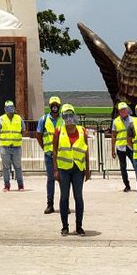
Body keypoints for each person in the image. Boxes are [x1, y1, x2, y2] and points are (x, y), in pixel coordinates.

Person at [51, 103, 89, 236]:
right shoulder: (58, 131)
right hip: (64, 169)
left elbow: (85, 150)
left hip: (78, 168)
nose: (68, 118)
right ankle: (64, 226)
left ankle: (79, 226)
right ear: (62, 117)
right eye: (66, 115)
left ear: (74, 115)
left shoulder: (82, 130)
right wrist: (55, 169)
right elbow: (54, 150)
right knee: (64, 197)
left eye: (70, 115)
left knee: (78, 197)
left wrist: (87, 169)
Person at [35, 96, 62, 214]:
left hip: (62, 154)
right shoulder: (44, 119)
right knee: (50, 179)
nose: (55, 106)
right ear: (50, 106)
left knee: (63, 180)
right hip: (50, 154)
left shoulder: (64, 120)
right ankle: (50, 204)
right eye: (53, 104)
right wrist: (44, 148)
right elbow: (39, 135)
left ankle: (64, 204)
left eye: (57, 104)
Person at [0, 99, 25, 191]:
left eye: (11, 107)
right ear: (5, 109)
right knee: (6, 167)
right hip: (5, 147)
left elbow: (23, 130)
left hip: (16, 147)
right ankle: (7, 186)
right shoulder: (1, 119)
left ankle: (20, 185)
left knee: (18, 166)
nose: (10, 109)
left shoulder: (19, 119)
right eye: (8, 107)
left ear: (14, 108)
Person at [110, 101, 134, 192]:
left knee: (136, 165)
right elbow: (113, 136)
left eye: (124, 110)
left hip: (130, 146)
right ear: (119, 111)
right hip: (120, 147)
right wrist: (112, 150)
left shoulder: (133, 120)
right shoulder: (116, 121)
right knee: (123, 167)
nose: (123, 111)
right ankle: (127, 185)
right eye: (121, 110)